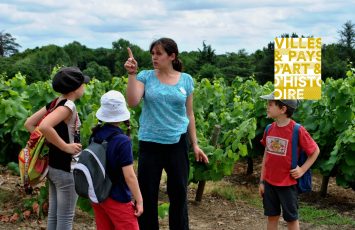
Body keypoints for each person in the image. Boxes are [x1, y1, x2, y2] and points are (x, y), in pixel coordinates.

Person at [124, 37, 209, 230]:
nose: (154, 57)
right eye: (152, 53)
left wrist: (194, 143)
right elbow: (133, 101)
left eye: (159, 54)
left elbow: (190, 114)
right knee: (147, 194)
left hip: (177, 143)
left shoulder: (186, 80)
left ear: (172, 56)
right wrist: (132, 74)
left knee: (179, 194)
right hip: (150, 143)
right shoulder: (145, 76)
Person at [24, 67, 90, 230]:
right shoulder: (68, 106)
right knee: (65, 218)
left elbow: (29, 124)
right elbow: (45, 126)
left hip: (54, 168)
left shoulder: (55, 102)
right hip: (67, 170)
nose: (85, 87)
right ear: (76, 88)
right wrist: (65, 146)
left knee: (54, 216)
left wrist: (50, 141)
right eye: (83, 84)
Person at [258, 92, 320, 230]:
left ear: (283, 109)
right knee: (272, 216)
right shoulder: (269, 129)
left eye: (270, 104)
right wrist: (262, 181)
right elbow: (266, 155)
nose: (267, 107)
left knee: (291, 219)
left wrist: (302, 169)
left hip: (288, 184)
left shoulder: (297, 130)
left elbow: (315, 150)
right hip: (269, 183)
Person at [90, 90, 143, 230]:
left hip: (98, 195)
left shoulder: (95, 135)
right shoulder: (122, 141)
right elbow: (129, 176)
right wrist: (139, 200)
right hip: (117, 196)